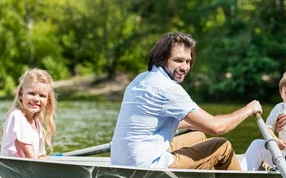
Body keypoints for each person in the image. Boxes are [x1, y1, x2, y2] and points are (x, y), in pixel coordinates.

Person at [110, 31, 262, 170]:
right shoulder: (168, 89)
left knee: (198, 137)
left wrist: (199, 123)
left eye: (188, 61)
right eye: (178, 60)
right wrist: (249, 109)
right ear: (162, 59)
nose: (185, 67)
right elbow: (217, 128)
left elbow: (155, 121)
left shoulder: (140, 79)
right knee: (222, 146)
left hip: (122, 161)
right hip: (146, 166)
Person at [0, 68, 56, 159]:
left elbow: (40, 156)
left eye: (42, 96)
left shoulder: (36, 123)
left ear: (47, 100)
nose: (36, 99)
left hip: (27, 169)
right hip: (15, 169)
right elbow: (29, 155)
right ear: (21, 95)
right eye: (31, 93)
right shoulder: (17, 116)